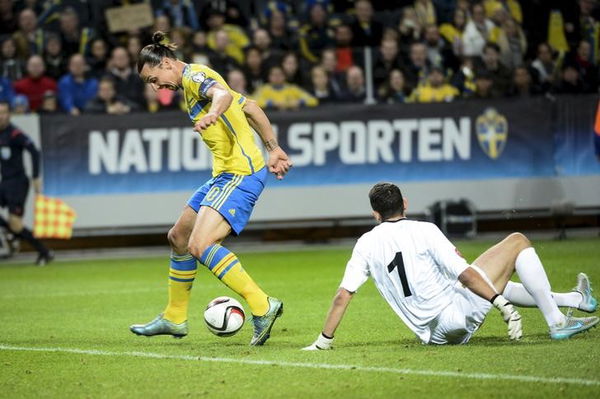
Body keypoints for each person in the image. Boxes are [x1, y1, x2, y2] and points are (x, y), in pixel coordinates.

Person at [130, 31, 292, 346]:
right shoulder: (191, 83)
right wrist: (273, 148)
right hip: (223, 175)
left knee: (200, 245)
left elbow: (223, 96)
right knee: (178, 237)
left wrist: (214, 114)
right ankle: (175, 317)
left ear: (166, 63)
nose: (155, 86)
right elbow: (251, 106)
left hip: (239, 174)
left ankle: (262, 305)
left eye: (154, 78)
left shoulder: (195, 77)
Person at [303, 183, 598, 350]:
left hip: (432, 334)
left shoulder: (366, 243)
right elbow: (467, 275)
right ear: (405, 203)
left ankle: (575, 300)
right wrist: (501, 305)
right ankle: (557, 322)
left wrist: (322, 342)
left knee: (495, 277)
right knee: (518, 241)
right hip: (455, 315)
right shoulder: (425, 230)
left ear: (375, 214)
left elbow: (343, 295)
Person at [0, 100, 53, 265]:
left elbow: (34, 152)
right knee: (14, 226)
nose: (0, 116)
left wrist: (36, 177)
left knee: (16, 224)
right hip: (4, 182)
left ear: (9, 114)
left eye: (3, 112)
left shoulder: (15, 134)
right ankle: (13, 236)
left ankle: (44, 252)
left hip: (18, 183)